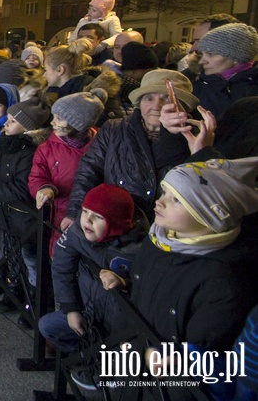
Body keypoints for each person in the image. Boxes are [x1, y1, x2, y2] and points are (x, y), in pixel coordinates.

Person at [116, 158, 258, 391]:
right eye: (164, 192)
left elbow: (204, 355)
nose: (159, 203)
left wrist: (162, 358)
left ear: (209, 214)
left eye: (176, 200)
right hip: (138, 365)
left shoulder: (223, 281)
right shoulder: (158, 239)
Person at [66, 69, 196, 222]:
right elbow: (88, 171)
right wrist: (75, 213)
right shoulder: (114, 129)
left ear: (183, 108)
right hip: (113, 222)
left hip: (164, 229)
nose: (156, 106)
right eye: (149, 98)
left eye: (167, 99)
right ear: (139, 103)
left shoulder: (194, 139)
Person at [39, 184, 144, 354]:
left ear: (116, 223)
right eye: (85, 210)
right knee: (47, 326)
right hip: (88, 310)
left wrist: (124, 282)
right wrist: (71, 308)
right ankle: (88, 358)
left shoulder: (136, 250)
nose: (87, 219)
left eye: (97, 216)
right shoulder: (79, 231)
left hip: (119, 325)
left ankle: (103, 367)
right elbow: (62, 264)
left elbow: (148, 287)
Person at [0, 98, 51, 309]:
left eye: (12, 121)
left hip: (26, 216)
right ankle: (14, 292)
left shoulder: (31, 151)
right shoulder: (6, 142)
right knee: (12, 253)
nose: (6, 123)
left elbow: (21, 188)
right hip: (9, 213)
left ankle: (33, 303)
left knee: (29, 259)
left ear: (29, 128)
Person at [29, 89, 106, 255]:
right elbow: (37, 176)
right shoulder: (47, 148)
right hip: (60, 216)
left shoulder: (102, 146)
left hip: (93, 218)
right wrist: (44, 187)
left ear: (78, 123)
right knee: (61, 259)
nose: (52, 122)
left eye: (59, 118)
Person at [190, 23, 258, 120]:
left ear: (236, 58)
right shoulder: (195, 86)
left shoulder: (253, 89)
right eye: (202, 54)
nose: (201, 61)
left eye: (211, 54)